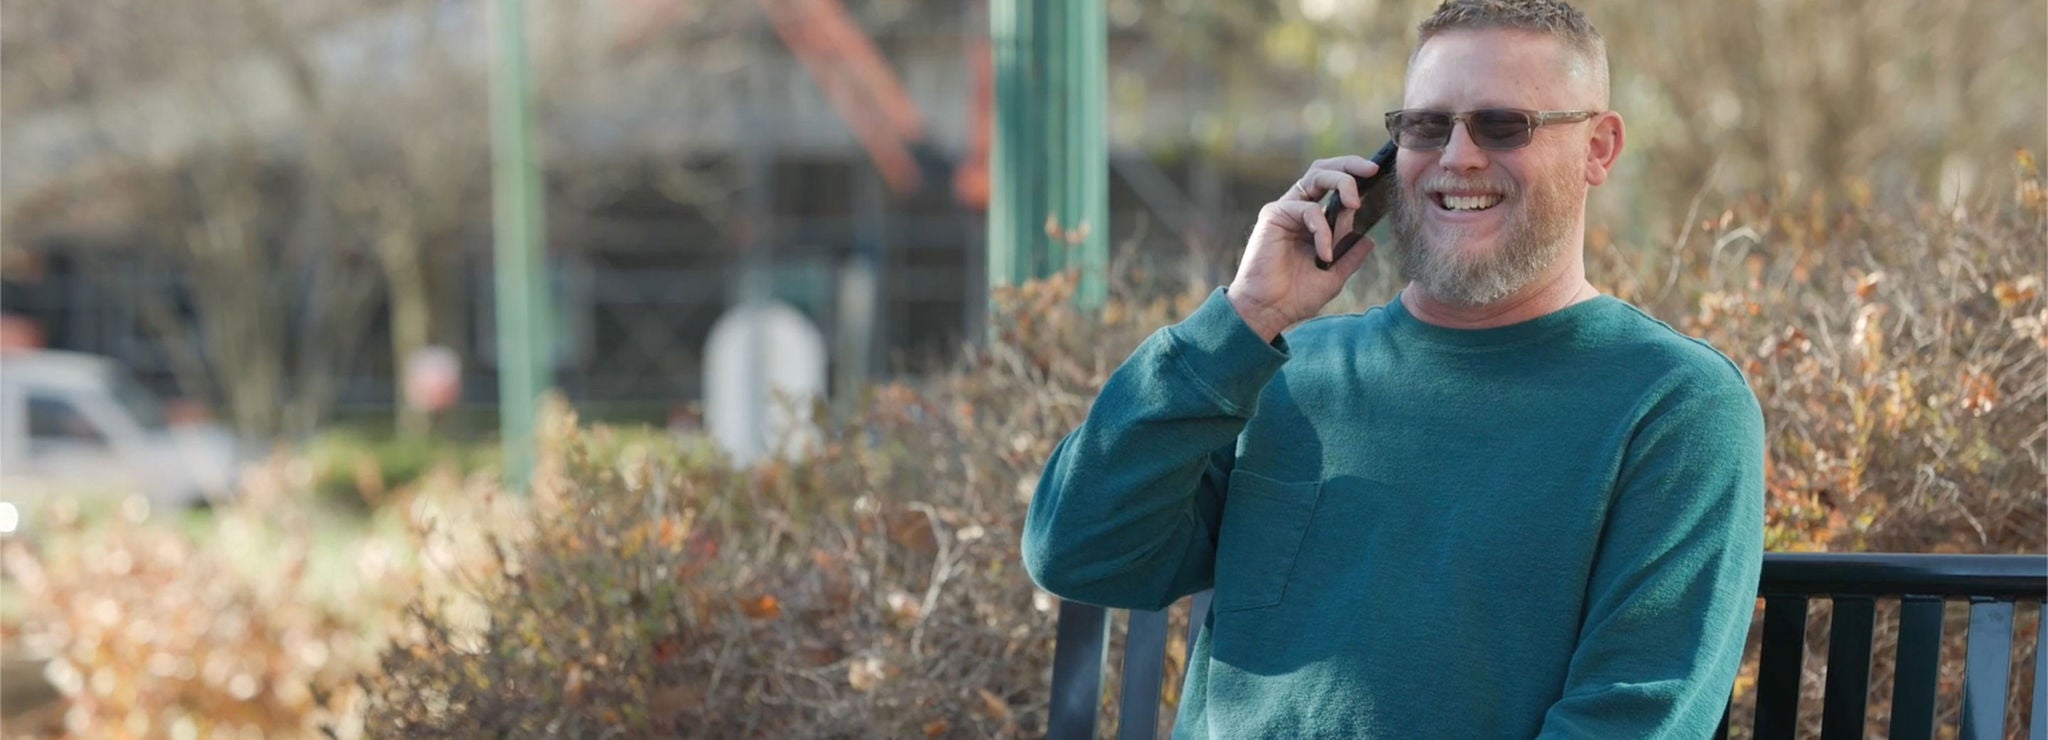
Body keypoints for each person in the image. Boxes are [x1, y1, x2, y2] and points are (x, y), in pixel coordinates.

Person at [1020, 0, 1766, 737]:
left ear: (1598, 148)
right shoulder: (1278, 371)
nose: (1458, 156)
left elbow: (1632, 717)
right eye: (1427, 127)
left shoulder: (1675, 404)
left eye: (1503, 125)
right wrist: (1246, 315)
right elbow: (1078, 552)